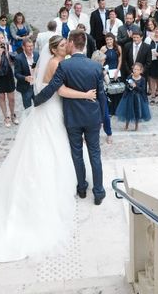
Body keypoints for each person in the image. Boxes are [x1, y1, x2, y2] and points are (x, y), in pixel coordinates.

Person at [0, 35, 98, 262]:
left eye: (66, 45)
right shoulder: (55, 63)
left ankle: (71, 182)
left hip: (51, 110)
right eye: (62, 46)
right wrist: (85, 94)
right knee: (53, 147)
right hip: (52, 110)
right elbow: (58, 90)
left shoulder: (61, 61)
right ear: (54, 49)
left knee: (58, 146)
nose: (66, 48)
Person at [34, 31, 112, 205]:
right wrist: (102, 120)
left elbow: (53, 87)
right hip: (92, 117)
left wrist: (37, 100)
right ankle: (98, 192)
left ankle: (82, 188)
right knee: (95, 154)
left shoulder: (65, 66)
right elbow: (101, 96)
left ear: (71, 43)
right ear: (84, 44)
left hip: (73, 117)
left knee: (76, 153)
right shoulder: (96, 66)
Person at [0, 32, 18, 127]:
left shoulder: (7, 46)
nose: (1, 40)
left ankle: (13, 114)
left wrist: (8, 53)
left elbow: (11, 62)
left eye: (2, 38)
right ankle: (6, 117)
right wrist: (0, 54)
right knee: (2, 97)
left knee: (12, 98)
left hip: (8, 73)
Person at [115, 63, 151, 131]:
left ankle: (136, 126)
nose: (135, 71)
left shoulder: (143, 79)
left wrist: (135, 86)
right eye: (134, 69)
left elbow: (142, 90)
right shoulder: (130, 77)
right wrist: (130, 86)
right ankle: (126, 125)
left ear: (141, 71)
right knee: (128, 110)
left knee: (137, 110)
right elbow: (126, 86)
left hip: (138, 98)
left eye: (137, 69)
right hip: (129, 97)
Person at [14, 39, 39, 109]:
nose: (31, 48)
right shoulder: (18, 58)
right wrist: (25, 78)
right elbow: (16, 74)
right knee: (28, 108)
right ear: (23, 47)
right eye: (28, 46)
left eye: (32, 46)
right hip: (26, 87)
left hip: (36, 85)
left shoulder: (37, 54)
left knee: (39, 106)